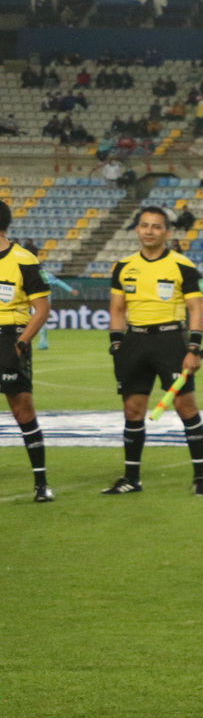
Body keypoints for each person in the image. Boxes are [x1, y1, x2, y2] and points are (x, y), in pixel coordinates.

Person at [103, 207, 203, 496]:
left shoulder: (183, 266)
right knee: (132, 410)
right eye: (144, 225)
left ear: (167, 233)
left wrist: (193, 348)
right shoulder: (123, 266)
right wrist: (117, 345)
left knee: (186, 408)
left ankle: (200, 479)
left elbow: (196, 309)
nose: (149, 231)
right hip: (134, 342)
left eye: (156, 226)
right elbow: (117, 309)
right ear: (137, 229)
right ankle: (131, 479)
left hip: (170, 341)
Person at [0, 201, 52, 501]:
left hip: (9, 338)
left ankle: (41, 484)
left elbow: (42, 309)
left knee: (22, 411)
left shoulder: (23, 260)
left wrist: (21, 343)